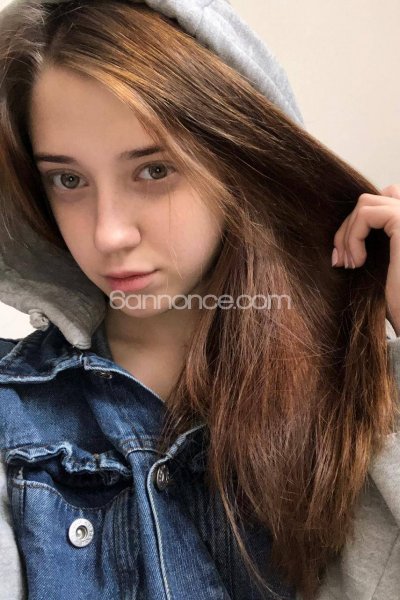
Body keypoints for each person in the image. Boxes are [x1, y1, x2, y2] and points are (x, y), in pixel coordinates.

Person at [0, 1, 399, 599]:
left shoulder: (359, 383)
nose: (109, 233)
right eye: (69, 179)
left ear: (239, 160)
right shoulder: (14, 412)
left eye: (154, 171)